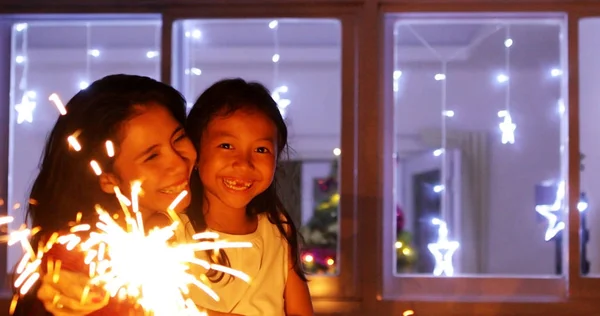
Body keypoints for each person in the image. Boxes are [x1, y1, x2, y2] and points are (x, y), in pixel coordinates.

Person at [13, 74, 197, 316]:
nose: (179, 163)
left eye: (179, 138)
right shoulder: (89, 263)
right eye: (152, 156)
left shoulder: (171, 224)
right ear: (107, 179)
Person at [183, 78, 313, 315]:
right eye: (226, 145)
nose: (244, 163)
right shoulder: (172, 231)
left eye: (261, 150)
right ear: (196, 153)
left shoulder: (278, 231)